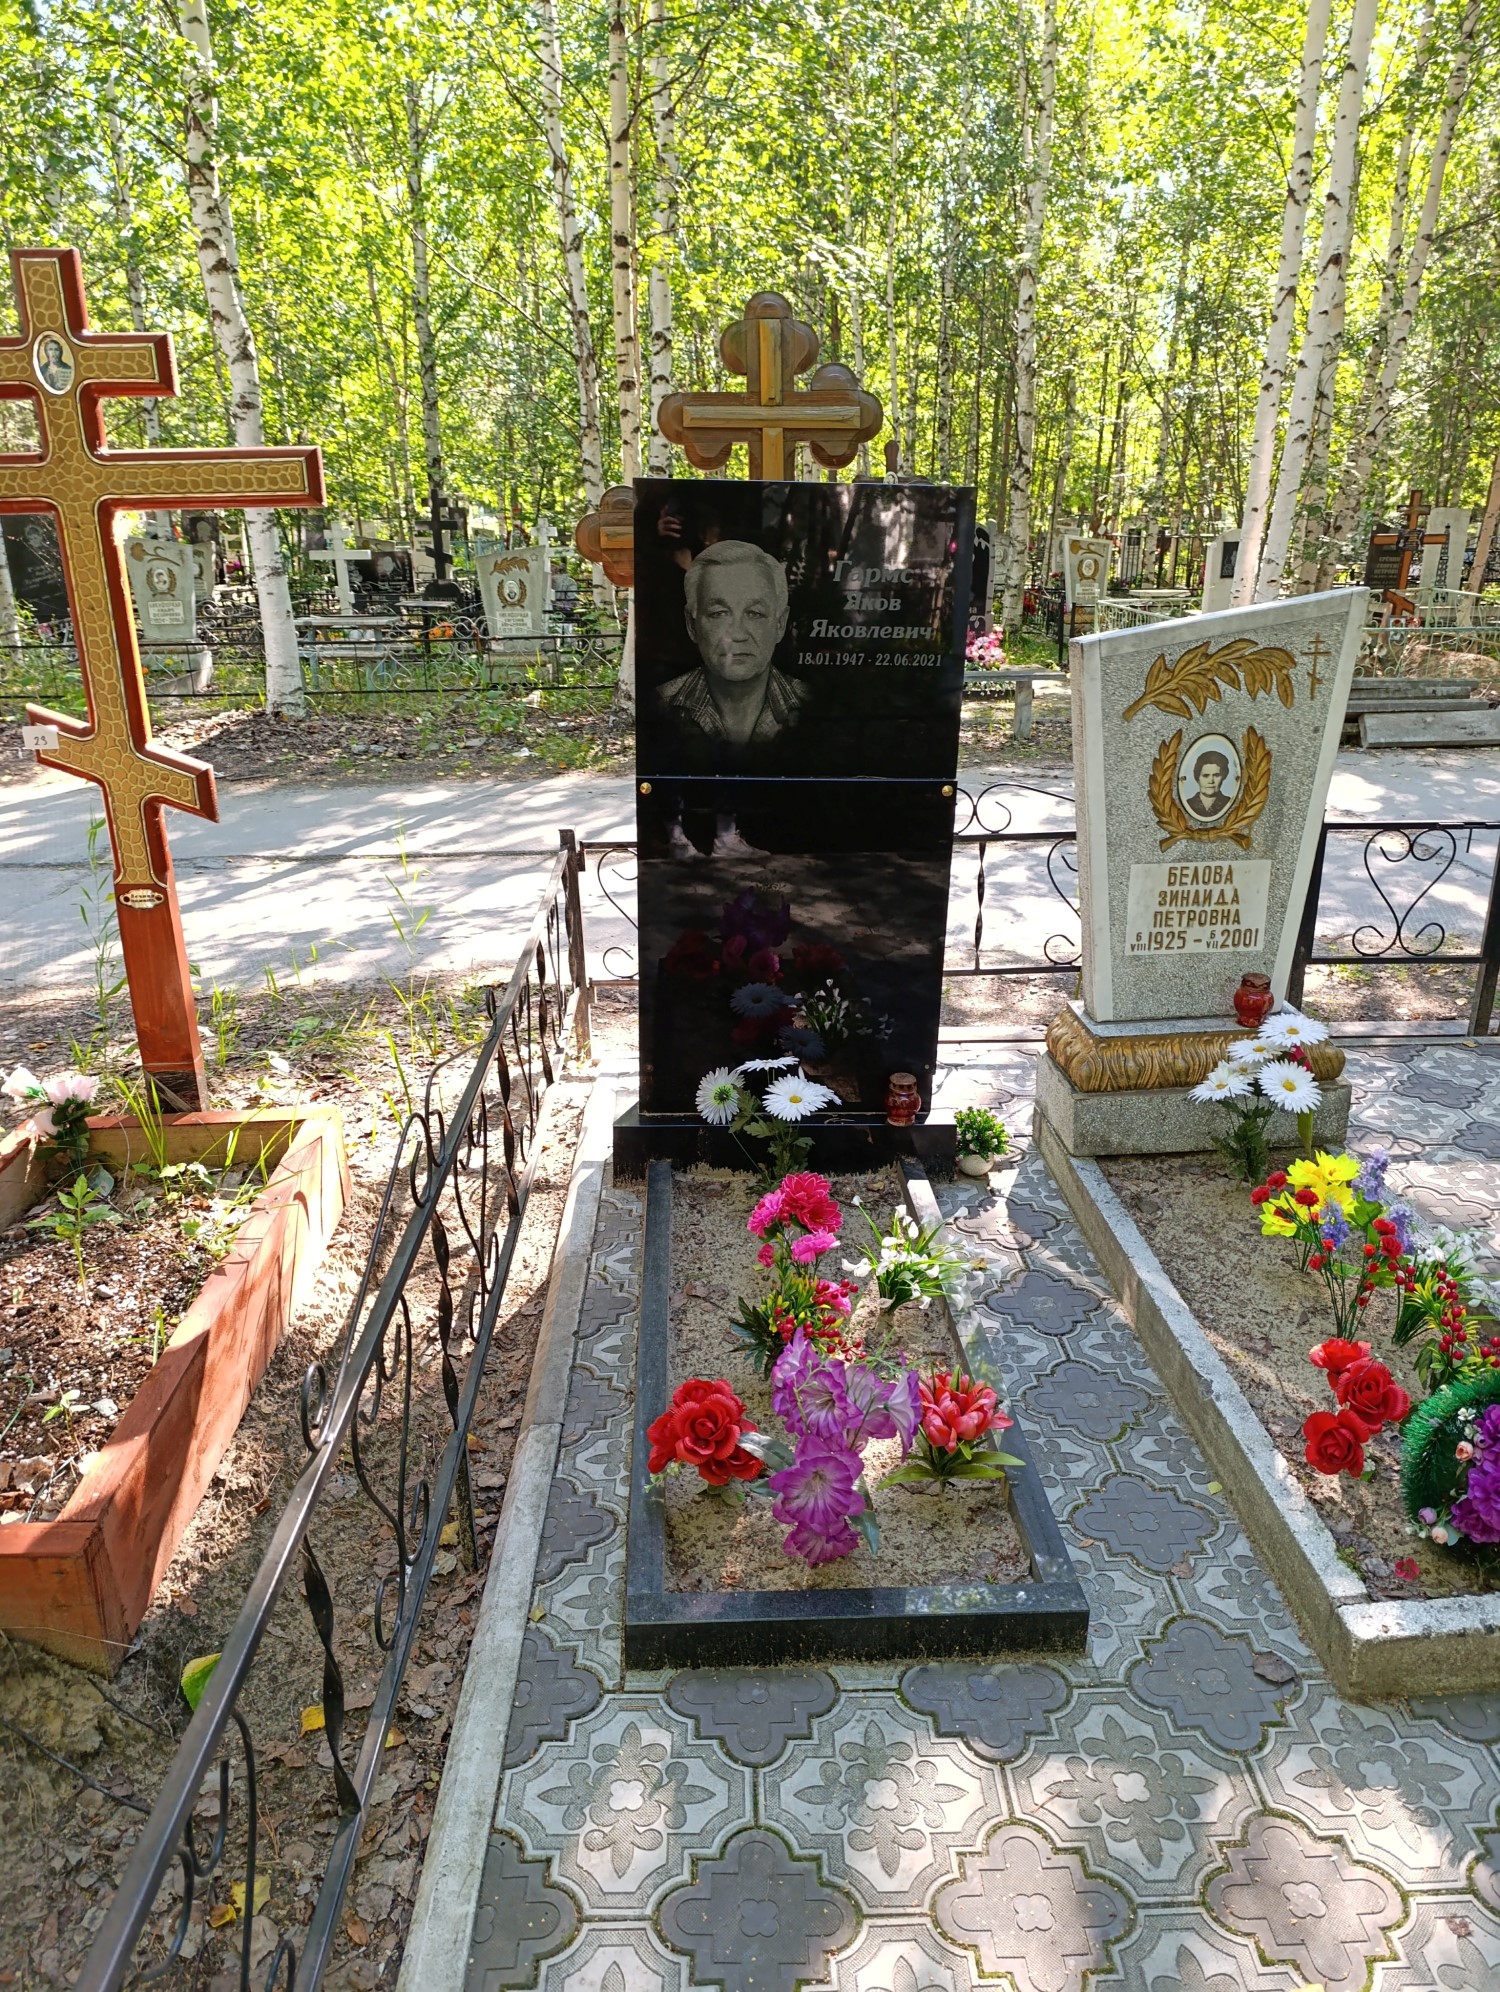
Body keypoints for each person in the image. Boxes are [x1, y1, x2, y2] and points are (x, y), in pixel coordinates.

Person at [657, 541, 805, 748]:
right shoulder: (657, 705)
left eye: (754, 614)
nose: (737, 634)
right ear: (692, 625)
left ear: (780, 624)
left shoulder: (815, 707)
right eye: (719, 614)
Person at [1184, 748, 1232, 822]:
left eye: (1216, 775)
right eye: (1205, 776)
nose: (1211, 781)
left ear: (1223, 777)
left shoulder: (1230, 804)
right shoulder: (1188, 805)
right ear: (1198, 778)